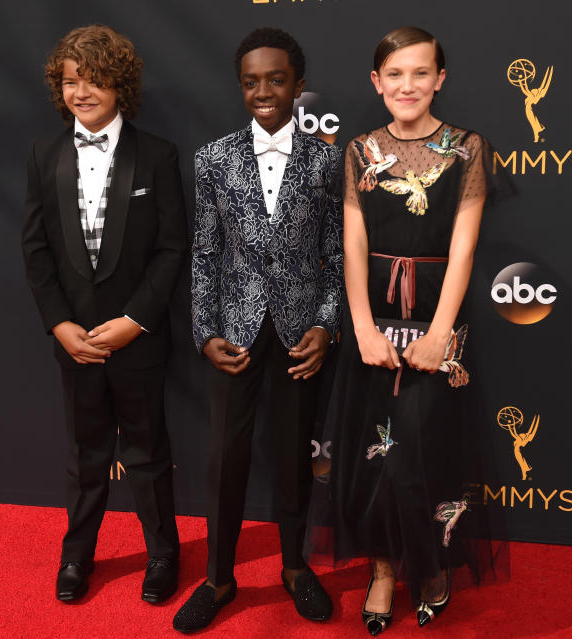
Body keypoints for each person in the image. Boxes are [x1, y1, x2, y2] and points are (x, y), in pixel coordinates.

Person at [311, 26, 508, 634]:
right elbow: (353, 243)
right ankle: (382, 572)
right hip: (373, 319)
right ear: (376, 82)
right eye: (394, 74)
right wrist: (363, 328)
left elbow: (464, 248)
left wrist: (440, 331)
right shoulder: (359, 150)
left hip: (436, 317)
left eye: (420, 73)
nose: (407, 85)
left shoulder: (466, 148)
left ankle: (431, 565)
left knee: (426, 452)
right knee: (373, 455)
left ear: (440, 79)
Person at [173, 27, 343, 634]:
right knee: (225, 458)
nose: (263, 91)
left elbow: (338, 254)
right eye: (251, 81)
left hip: (300, 334)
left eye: (276, 79)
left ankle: (295, 568)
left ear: (298, 84)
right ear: (240, 87)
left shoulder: (328, 159)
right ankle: (219, 578)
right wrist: (203, 332)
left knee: (296, 454)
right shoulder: (213, 159)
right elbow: (204, 254)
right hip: (235, 331)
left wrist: (327, 324)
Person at [21, 24, 186, 604]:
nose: (82, 91)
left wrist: (136, 319)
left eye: (94, 80)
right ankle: (77, 555)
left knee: (147, 454)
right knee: (85, 456)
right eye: (71, 81)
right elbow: (36, 248)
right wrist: (60, 324)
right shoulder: (45, 153)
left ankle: (164, 553)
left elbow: (172, 248)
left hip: (137, 339)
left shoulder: (158, 155)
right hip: (75, 341)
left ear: (122, 85)